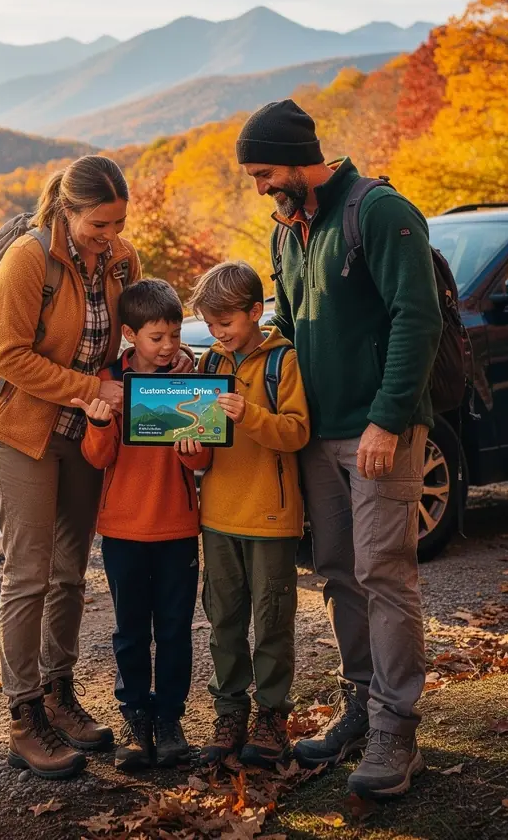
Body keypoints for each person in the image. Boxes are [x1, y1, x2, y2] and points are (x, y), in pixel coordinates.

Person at [236, 99, 442, 798]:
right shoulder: (287, 231)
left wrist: (387, 419)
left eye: (264, 172)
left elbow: (419, 317)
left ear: (297, 156)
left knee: (385, 573)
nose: (259, 186)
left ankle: (396, 730)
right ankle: (362, 704)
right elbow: (288, 328)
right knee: (336, 572)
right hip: (316, 435)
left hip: (380, 433)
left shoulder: (377, 212)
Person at [0, 155, 193, 780]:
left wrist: (165, 369)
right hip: (23, 431)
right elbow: (9, 357)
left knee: (70, 573)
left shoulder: (123, 260)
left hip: (87, 434)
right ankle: (23, 715)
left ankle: (57, 692)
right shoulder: (26, 261)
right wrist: (87, 388)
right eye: (99, 223)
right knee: (29, 573)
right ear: (67, 212)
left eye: (119, 221)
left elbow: (134, 334)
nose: (111, 234)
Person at [71, 279, 210, 772]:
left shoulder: (191, 379)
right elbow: (97, 457)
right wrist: (101, 422)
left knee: (174, 629)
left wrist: (195, 453)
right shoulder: (110, 380)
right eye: (157, 337)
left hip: (176, 528)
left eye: (174, 334)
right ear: (131, 335)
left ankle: (170, 720)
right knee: (131, 631)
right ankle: (135, 719)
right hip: (124, 529)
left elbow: (204, 458)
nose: (168, 346)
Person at [178, 261, 310, 769]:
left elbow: (297, 432)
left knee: (272, 620)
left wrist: (250, 415)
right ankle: (228, 711)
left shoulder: (283, 363)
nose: (218, 334)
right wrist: (189, 448)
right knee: (223, 620)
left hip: (271, 517)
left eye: (226, 324)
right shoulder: (209, 365)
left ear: (256, 312)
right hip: (217, 517)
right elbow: (201, 449)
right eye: (211, 326)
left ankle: (272, 715)